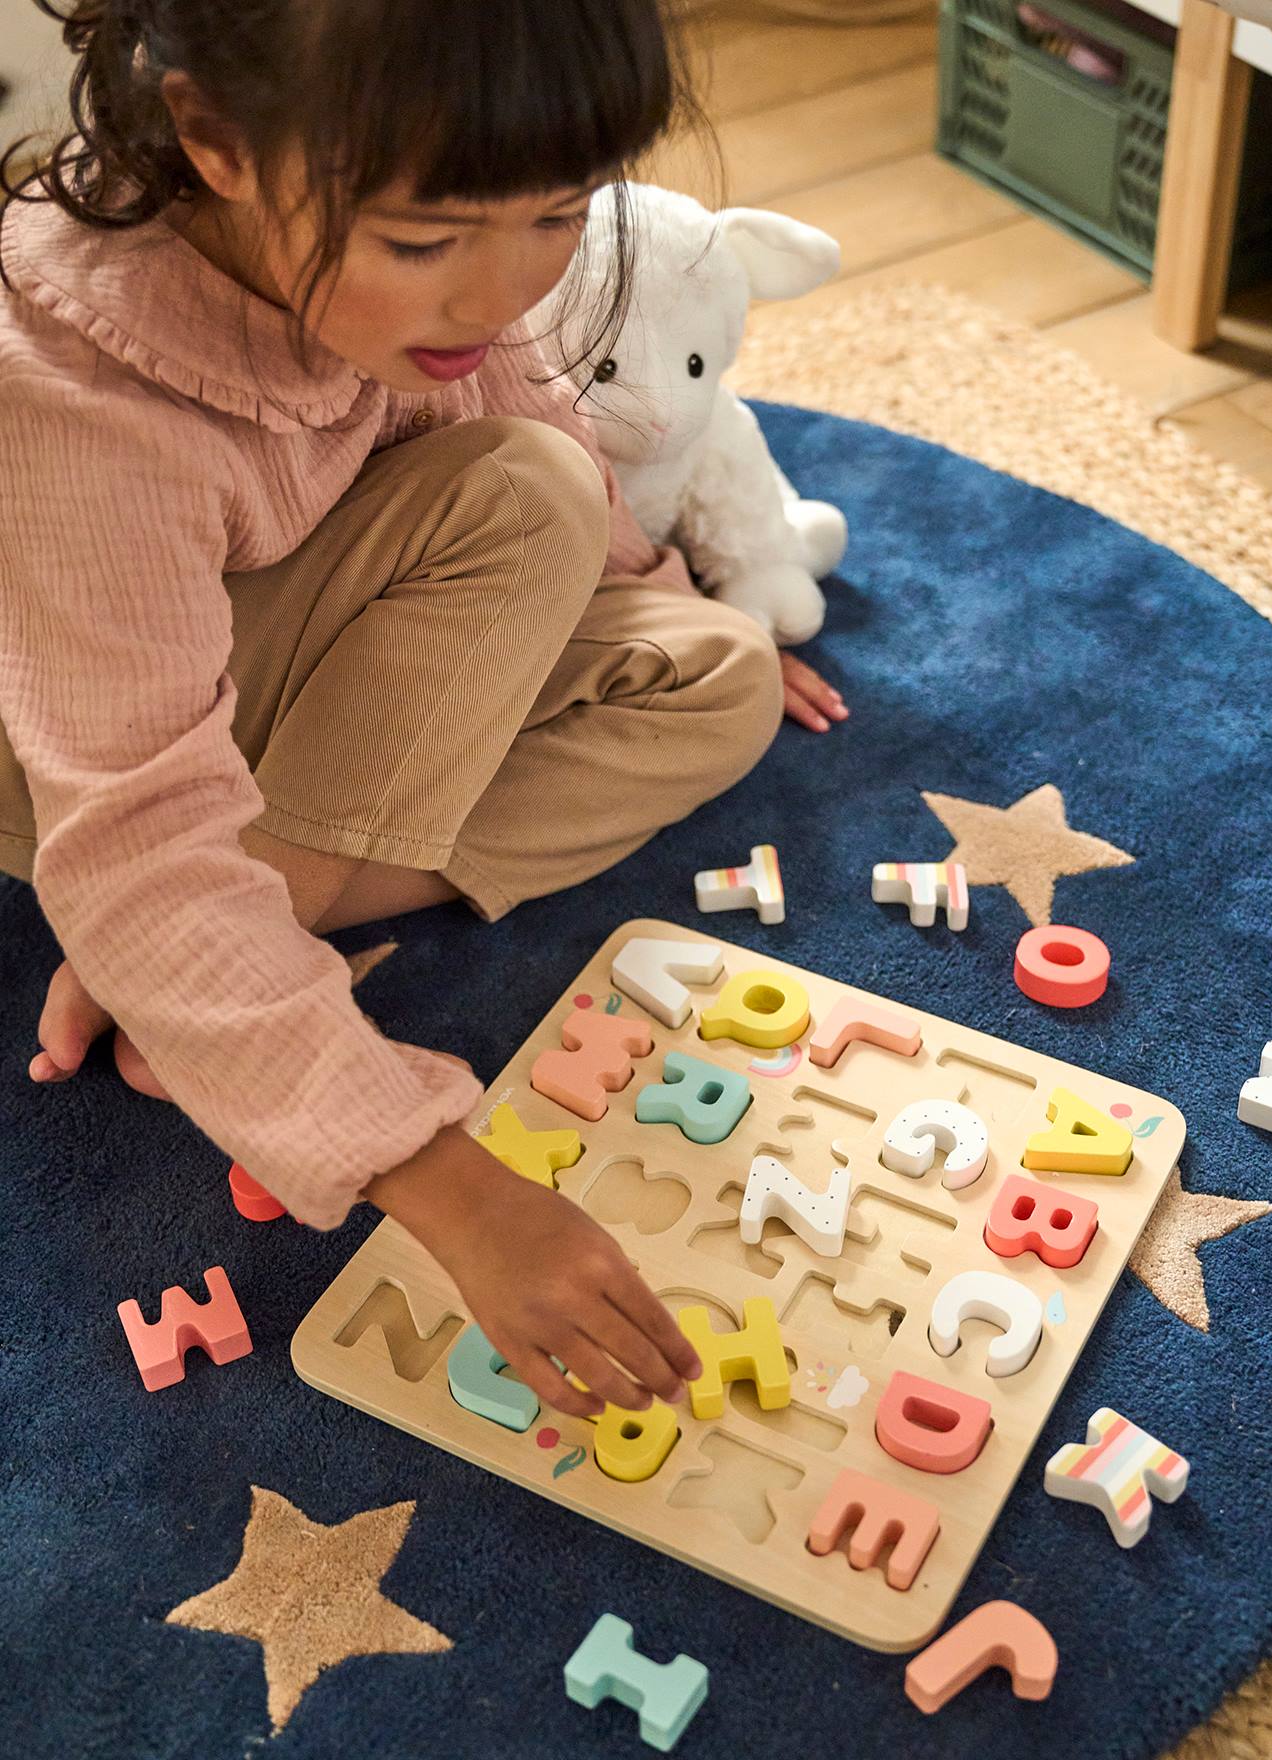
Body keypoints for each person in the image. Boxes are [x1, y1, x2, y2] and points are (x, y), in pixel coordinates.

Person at [0, 0, 847, 1420]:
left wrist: (666, 592)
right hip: (60, 748)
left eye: (562, 218)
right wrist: (448, 1184)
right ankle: (177, 937)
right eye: (423, 241)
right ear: (212, 138)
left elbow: (526, 411)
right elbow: (133, 802)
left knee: (719, 672)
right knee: (524, 496)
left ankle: (196, 945)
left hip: (287, 669)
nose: (503, 295)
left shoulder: (434, 308)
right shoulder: (68, 402)